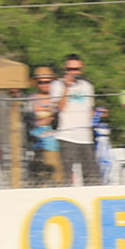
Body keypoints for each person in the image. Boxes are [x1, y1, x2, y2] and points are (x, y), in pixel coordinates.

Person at [51, 55, 98, 186]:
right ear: (65, 69)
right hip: (66, 136)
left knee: (92, 176)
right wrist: (67, 88)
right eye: (70, 69)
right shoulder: (57, 85)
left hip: (85, 137)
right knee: (65, 175)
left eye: (76, 69)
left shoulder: (87, 86)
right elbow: (60, 107)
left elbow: (90, 109)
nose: (73, 72)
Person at [26, 67, 61, 186]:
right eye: (41, 82)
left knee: (56, 177)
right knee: (39, 178)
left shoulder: (56, 99)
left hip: (53, 144)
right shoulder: (30, 99)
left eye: (48, 82)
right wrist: (43, 120)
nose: (44, 85)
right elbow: (28, 121)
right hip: (37, 143)